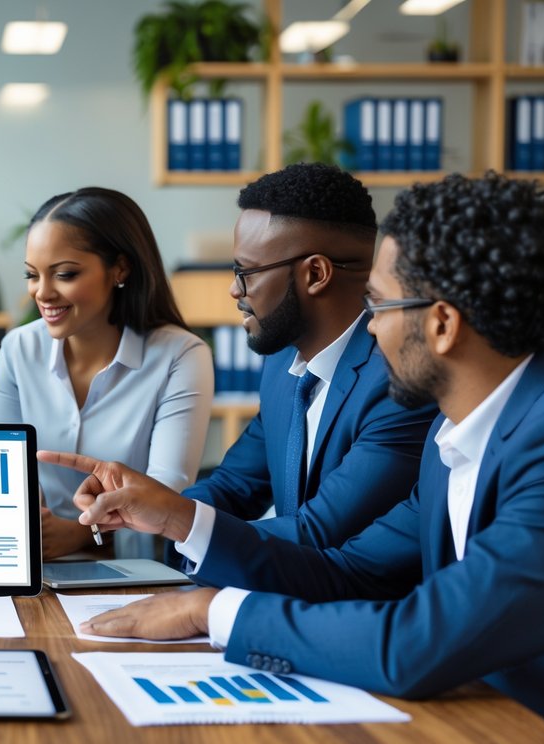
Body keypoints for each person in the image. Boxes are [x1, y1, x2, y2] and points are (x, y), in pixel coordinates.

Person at [42, 172, 544, 720]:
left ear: (443, 324)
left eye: (378, 306)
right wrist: (174, 527)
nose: (371, 331)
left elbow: (413, 640)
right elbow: (349, 572)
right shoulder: (448, 439)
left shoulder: (540, 444)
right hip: (477, 717)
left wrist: (215, 612)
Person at [181, 163, 435, 549]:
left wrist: (177, 524)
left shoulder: (399, 382)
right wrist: (149, 511)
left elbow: (316, 535)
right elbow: (233, 485)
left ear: (316, 273)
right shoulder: (283, 363)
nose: (234, 290)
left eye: (245, 272)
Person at [0, 187, 212, 560]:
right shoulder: (18, 348)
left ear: (119, 268)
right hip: (31, 563)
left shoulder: (181, 356)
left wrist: (82, 534)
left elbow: (168, 499)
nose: (42, 293)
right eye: (32, 275)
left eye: (65, 274)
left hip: (137, 570)